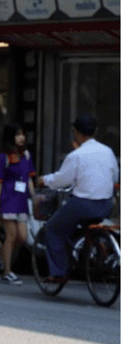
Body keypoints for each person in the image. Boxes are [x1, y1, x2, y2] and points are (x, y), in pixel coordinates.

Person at [36, 114, 119, 285]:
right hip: (105, 204)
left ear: (76, 132)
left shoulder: (77, 155)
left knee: (53, 229)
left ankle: (59, 272)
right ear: (95, 131)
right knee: (77, 222)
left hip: (82, 205)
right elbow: (115, 175)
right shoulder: (108, 151)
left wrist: (44, 179)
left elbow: (62, 180)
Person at [0, 123, 35, 285]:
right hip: (7, 200)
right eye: (17, 134)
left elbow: (29, 178)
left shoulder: (27, 155)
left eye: (22, 134)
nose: (21, 137)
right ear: (10, 138)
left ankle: (3, 257)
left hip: (22, 202)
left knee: (23, 237)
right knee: (12, 236)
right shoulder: (4, 157)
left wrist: (34, 196)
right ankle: (7, 271)